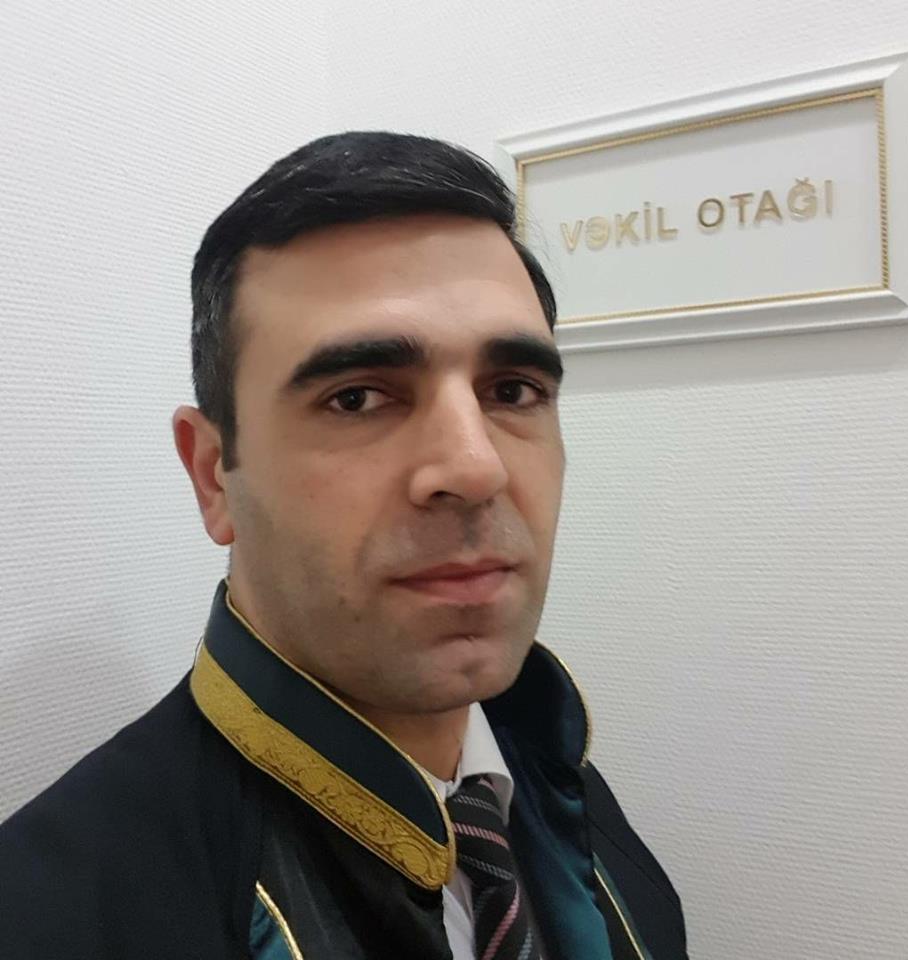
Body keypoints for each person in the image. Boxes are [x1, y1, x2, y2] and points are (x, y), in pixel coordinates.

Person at [0, 132, 688, 960]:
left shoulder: (555, 790)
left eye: (512, 390)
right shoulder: (47, 915)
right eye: (358, 398)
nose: (476, 467)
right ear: (214, 475)